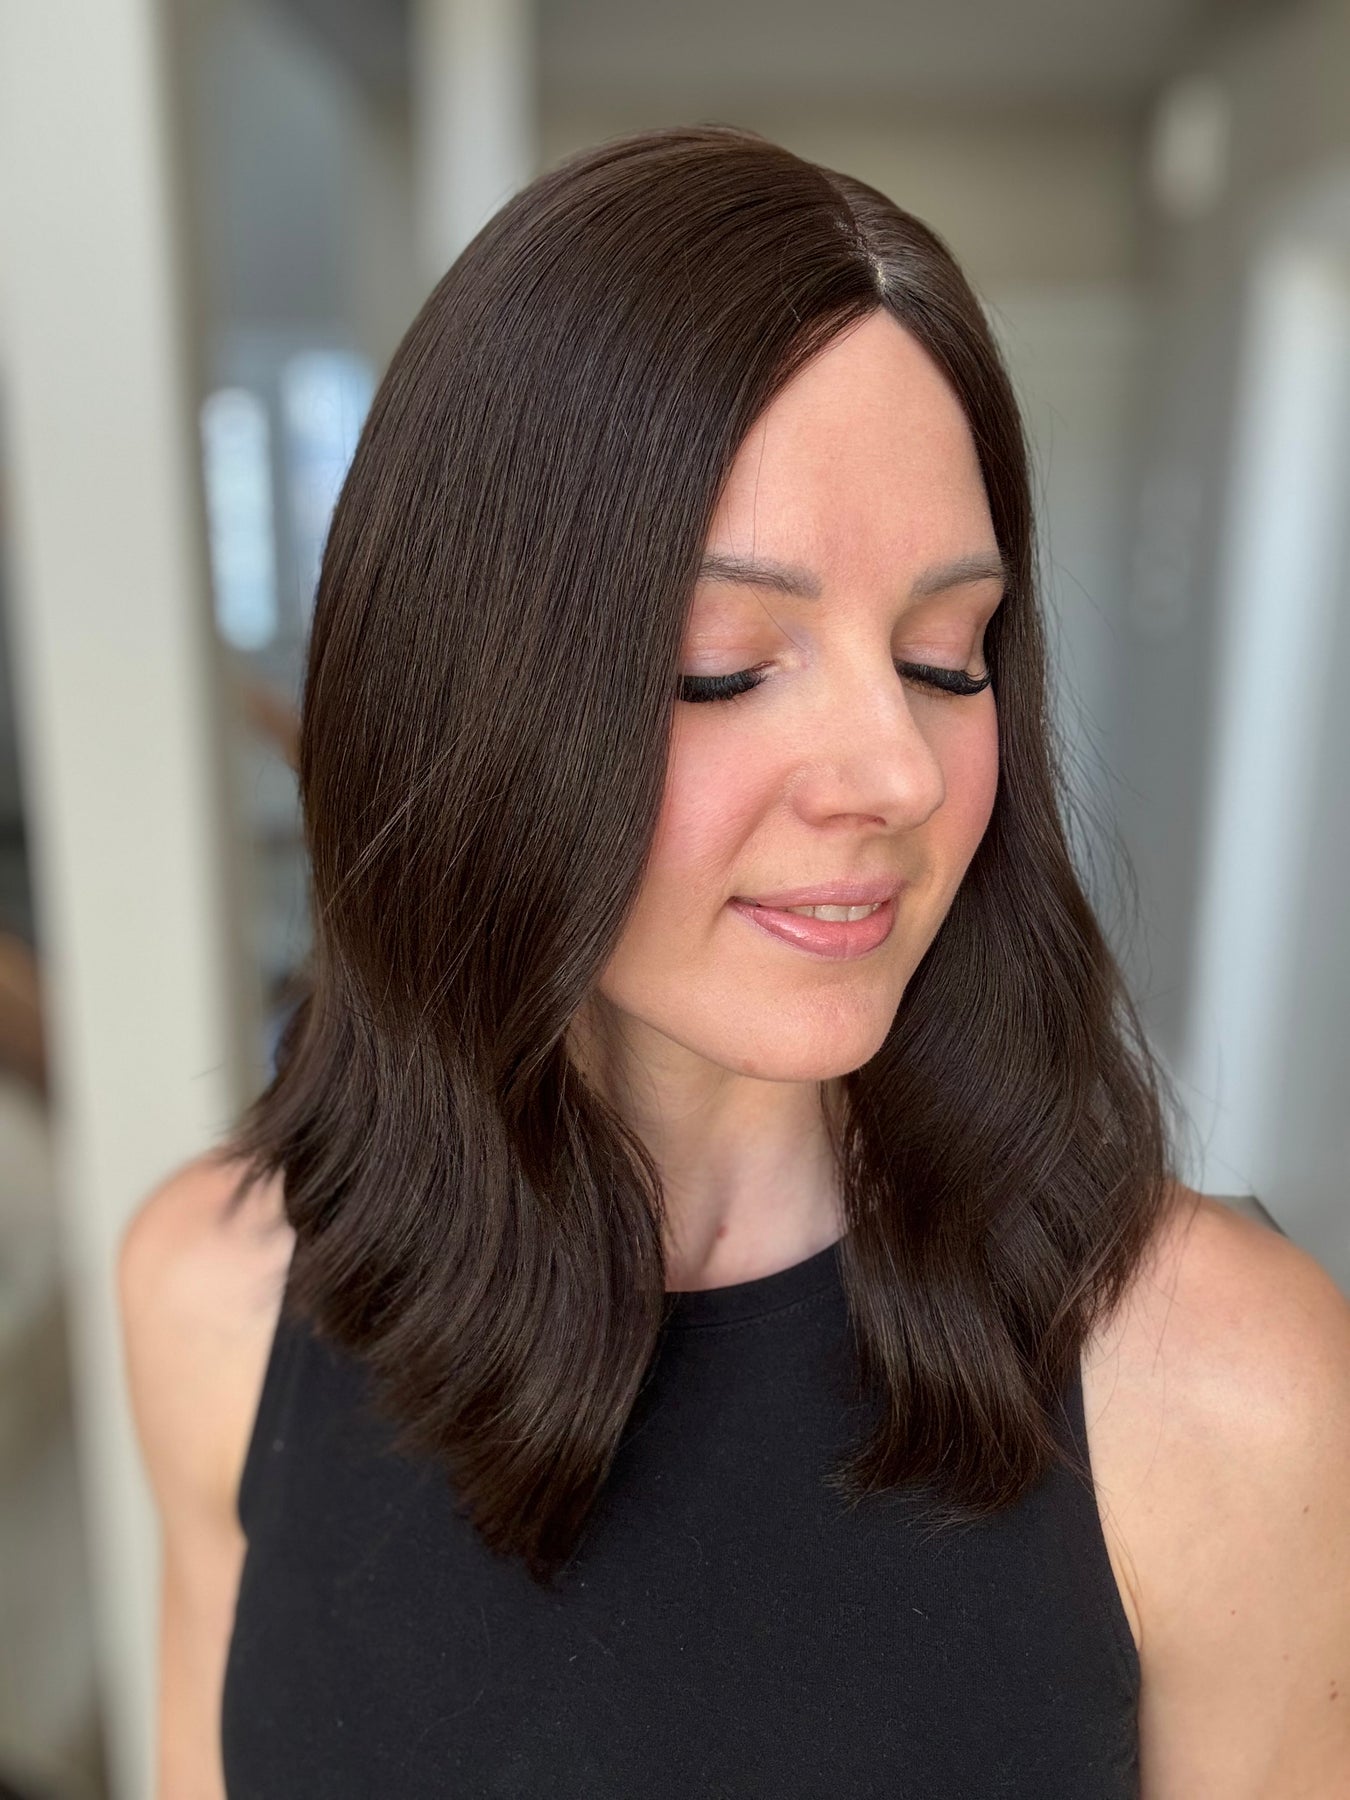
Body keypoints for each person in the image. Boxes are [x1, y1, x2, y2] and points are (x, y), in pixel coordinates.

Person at [117, 124, 1350, 1798]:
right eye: (724, 663)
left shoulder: (1224, 1399)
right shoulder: (212, 1295)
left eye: (945, 655)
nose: (896, 772)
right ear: (468, 698)